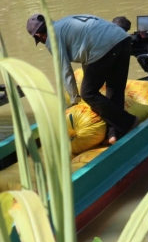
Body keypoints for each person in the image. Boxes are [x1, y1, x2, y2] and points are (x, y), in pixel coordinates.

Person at [27, 13, 138, 144]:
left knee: (88, 93)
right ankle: (114, 134)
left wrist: (75, 100)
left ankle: (130, 122)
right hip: (123, 39)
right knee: (114, 89)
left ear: (39, 35)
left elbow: (65, 70)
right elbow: (86, 53)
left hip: (106, 46)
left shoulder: (52, 37)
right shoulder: (65, 23)